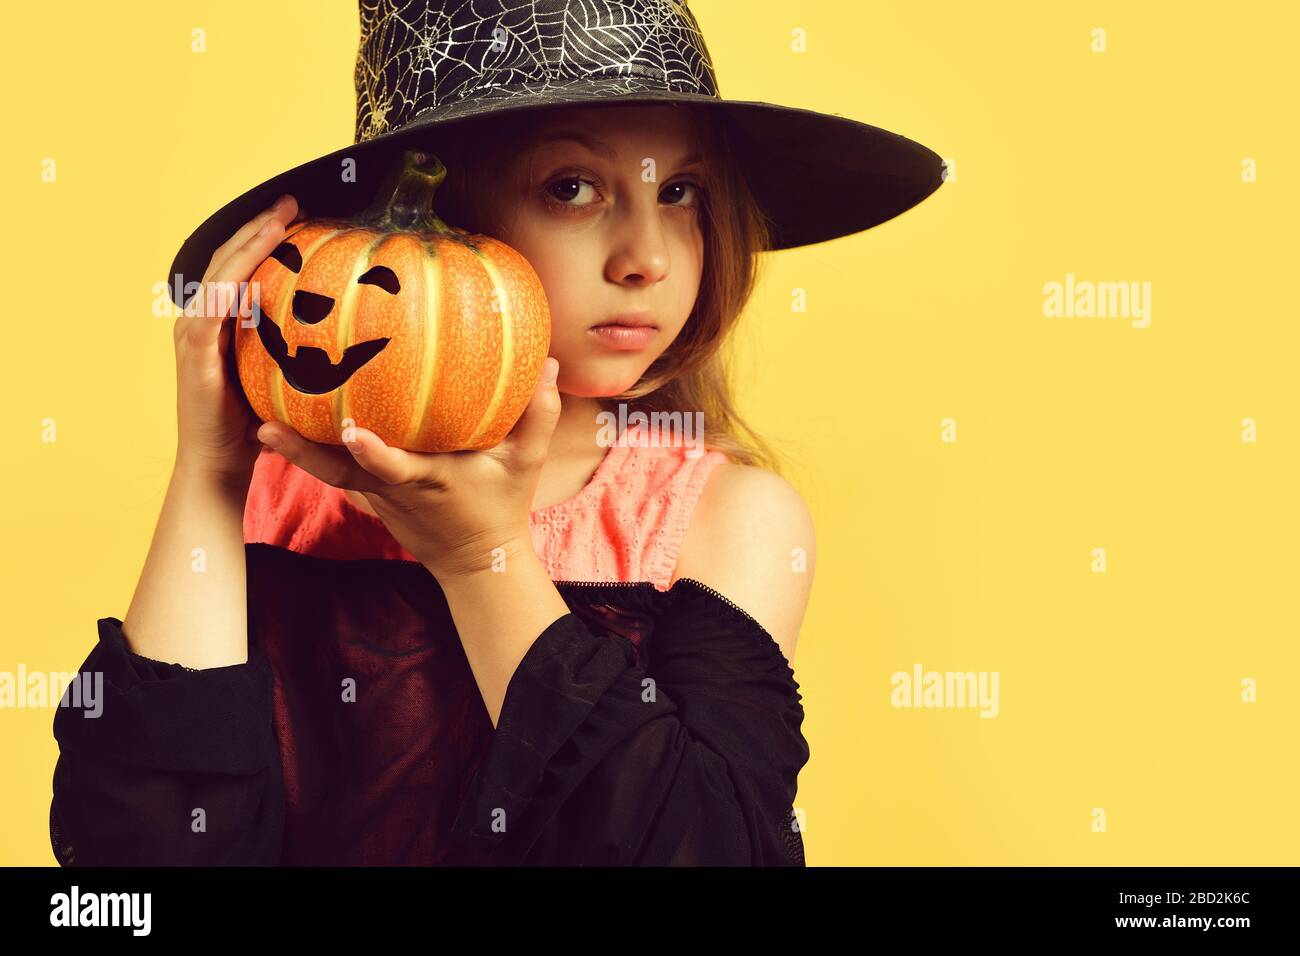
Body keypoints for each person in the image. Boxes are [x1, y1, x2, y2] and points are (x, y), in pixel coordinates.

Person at [49, 0, 943, 866]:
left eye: (678, 192)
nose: (650, 257)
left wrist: (482, 559)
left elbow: (702, 848)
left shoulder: (730, 518)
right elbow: (139, 861)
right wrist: (210, 473)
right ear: (443, 220)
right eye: (573, 188)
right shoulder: (285, 492)